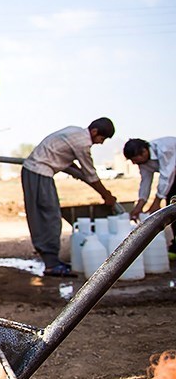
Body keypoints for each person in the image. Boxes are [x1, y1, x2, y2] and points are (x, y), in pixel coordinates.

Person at [21, 117, 118, 277]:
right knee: (48, 216)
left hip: (39, 172)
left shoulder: (75, 131)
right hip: (39, 172)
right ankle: (51, 264)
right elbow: (91, 174)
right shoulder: (83, 143)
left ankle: (52, 261)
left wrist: (72, 167)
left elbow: (59, 151)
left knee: (48, 215)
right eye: (102, 138)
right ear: (94, 132)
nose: (101, 143)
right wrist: (107, 195)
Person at [123, 137, 176, 259]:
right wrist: (139, 206)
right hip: (173, 178)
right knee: (173, 210)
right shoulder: (143, 162)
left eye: (135, 159)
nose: (134, 163)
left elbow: (166, 176)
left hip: (172, 175)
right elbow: (145, 182)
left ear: (144, 152)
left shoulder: (165, 149)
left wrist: (157, 201)